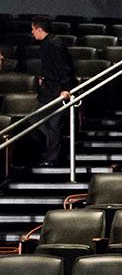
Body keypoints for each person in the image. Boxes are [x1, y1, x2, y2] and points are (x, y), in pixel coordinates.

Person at [30, 16, 73, 166]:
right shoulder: (46, 44)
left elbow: (65, 67)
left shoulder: (55, 44)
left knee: (54, 125)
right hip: (48, 89)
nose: (32, 32)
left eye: (33, 29)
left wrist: (65, 89)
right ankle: (52, 152)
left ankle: (52, 158)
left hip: (56, 89)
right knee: (35, 119)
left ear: (40, 29)